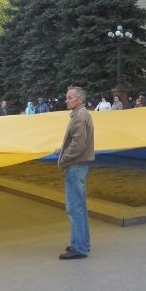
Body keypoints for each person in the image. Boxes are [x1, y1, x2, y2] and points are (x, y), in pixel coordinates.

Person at [57, 87, 95, 259]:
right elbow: (76, 141)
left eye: (70, 97)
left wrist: (64, 159)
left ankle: (79, 248)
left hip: (75, 165)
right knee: (80, 206)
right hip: (80, 164)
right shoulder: (82, 114)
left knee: (75, 208)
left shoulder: (79, 116)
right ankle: (82, 243)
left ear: (79, 100)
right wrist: (62, 149)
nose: (67, 100)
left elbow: (78, 144)